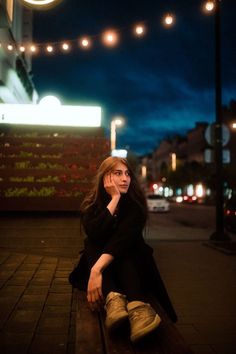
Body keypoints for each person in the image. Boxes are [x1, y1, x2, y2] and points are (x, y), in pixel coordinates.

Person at [69, 156, 177, 342]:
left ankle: (136, 307)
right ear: (105, 178)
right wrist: (114, 199)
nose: (125, 178)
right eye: (118, 173)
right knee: (93, 241)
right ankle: (115, 301)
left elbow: (120, 241)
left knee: (121, 247)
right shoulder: (92, 206)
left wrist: (96, 269)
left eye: (127, 174)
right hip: (110, 272)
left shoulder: (135, 206)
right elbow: (95, 232)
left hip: (134, 268)